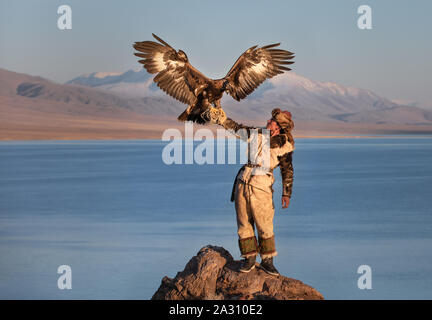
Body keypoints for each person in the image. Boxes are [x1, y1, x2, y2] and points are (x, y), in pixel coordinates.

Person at [207, 108, 295, 275]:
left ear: (278, 126)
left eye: (272, 121)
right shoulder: (256, 133)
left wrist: (286, 192)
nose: (268, 121)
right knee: (243, 223)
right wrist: (221, 118)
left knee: (265, 224)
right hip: (243, 182)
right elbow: (236, 128)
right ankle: (249, 259)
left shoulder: (285, 144)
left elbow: (287, 170)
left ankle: (268, 261)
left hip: (262, 186)